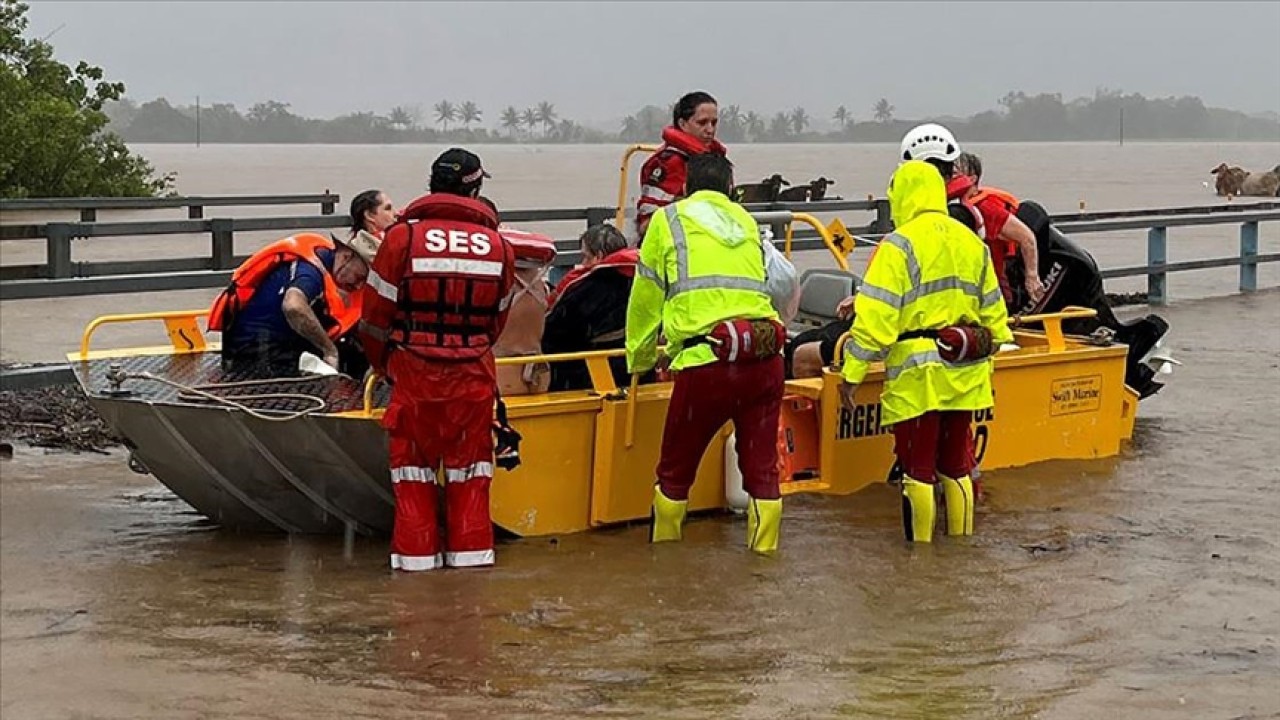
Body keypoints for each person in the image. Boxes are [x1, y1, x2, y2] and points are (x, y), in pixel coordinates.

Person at [838, 158, 1012, 544]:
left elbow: (875, 321)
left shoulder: (898, 245)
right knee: (956, 465)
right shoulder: (971, 241)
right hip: (964, 366)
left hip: (917, 376)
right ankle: (961, 546)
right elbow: (996, 321)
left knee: (917, 469)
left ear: (901, 197)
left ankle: (922, 556)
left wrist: (851, 375)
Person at [359, 148, 516, 572]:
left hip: (413, 376)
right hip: (473, 381)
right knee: (471, 488)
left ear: (432, 183)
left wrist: (384, 366)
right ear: (476, 186)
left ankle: (416, 593)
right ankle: (468, 596)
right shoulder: (499, 247)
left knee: (413, 486)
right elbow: (497, 323)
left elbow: (372, 321)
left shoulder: (401, 239)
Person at [626, 153, 786, 554]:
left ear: (684, 187)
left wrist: (640, 360)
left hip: (706, 364)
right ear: (731, 189)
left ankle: (666, 560)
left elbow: (645, 299)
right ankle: (764, 561)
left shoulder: (670, 220)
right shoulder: (747, 221)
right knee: (763, 471)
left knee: (675, 472)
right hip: (764, 360)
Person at [208, 229, 379, 377]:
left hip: (277, 344)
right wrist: (329, 351)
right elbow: (293, 306)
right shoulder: (310, 271)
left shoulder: (325, 263)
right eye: (359, 277)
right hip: (256, 352)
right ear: (346, 257)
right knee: (332, 355)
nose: (358, 286)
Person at [543, 224, 640, 391]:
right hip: (635, 372)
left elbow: (555, 332)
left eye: (585, 257)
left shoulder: (587, 288)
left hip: (586, 376)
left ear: (599, 257)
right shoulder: (641, 280)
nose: (582, 263)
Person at [947, 152, 1045, 307]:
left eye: (954, 174)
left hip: (995, 291)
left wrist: (1032, 278)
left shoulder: (986, 207)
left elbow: (1027, 237)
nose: (948, 178)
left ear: (972, 179)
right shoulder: (956, 208)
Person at [635, 91, 728, 238]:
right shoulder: (666, 164)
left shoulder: (717, 160)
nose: (710, 130)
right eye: (702, 123)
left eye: (714, 123)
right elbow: (646, 223)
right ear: (682, 124)